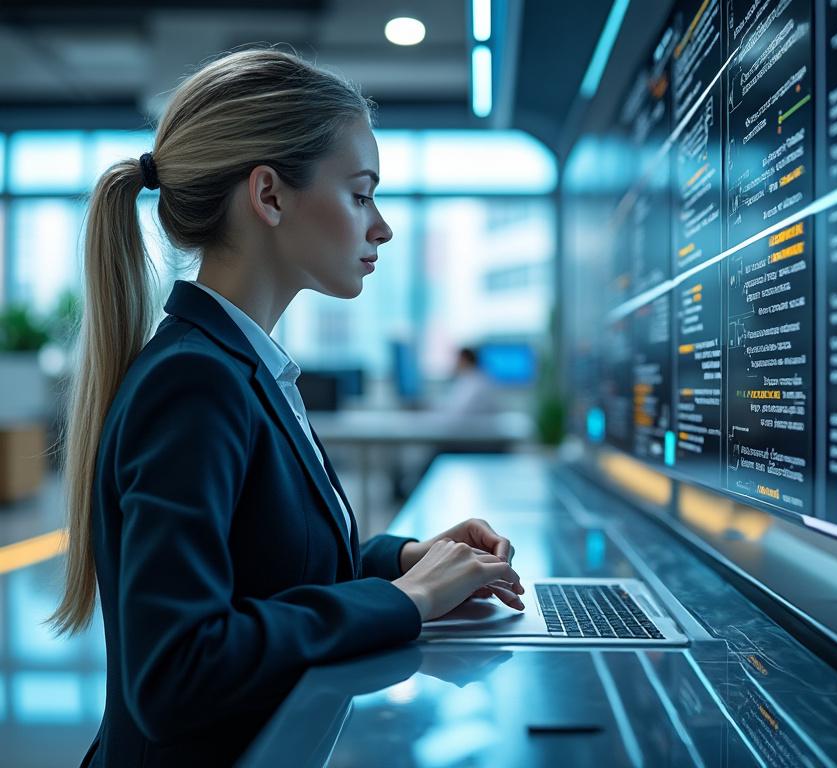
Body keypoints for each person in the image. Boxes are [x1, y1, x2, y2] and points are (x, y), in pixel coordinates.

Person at [49, 48, 525, 767]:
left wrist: (403, 562)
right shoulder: (195, 382)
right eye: (361, 194)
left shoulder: (237, 366)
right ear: (269, 196)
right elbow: (176, 671)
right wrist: (408, 601)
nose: (382, 227)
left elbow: (265, 564)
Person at [440, 346, 501, 415]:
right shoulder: (467, 380)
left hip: (472, 423)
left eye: (457, 360)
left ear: (464, 360)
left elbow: (460, 412)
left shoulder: (477, 384)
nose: (454, 364)